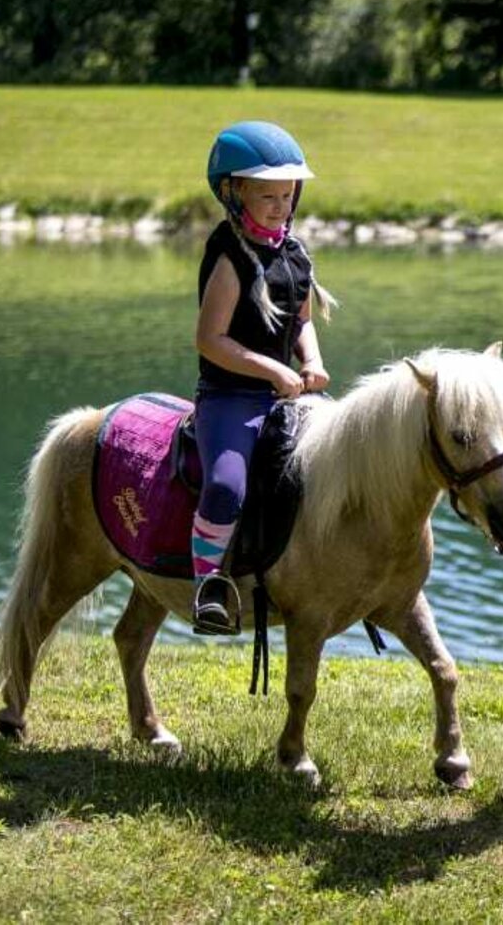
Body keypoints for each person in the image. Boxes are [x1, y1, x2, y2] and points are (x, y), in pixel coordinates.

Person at [191, 120, 335, 634]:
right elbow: (210, 340)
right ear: (233, 193)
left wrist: (310, 360)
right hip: (231, 396)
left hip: (283, 395)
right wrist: (273, 369)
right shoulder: (230, 257)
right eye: (267, 195)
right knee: (228, 483)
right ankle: (209, 582)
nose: (280, 205)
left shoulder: (294, 254)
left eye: (288, 193)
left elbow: (301, 323)